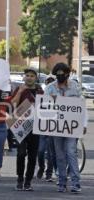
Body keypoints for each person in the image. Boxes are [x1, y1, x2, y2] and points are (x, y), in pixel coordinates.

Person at [45, 63, 87, 193]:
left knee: (71, 153)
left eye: (62, 74)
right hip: (56, 128)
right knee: (60, 156)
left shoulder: (75, 87)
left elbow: (82, 106)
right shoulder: (50, 88)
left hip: (71, 128)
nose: (60, 76)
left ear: (68, 74)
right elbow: (44, 107)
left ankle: (75, 183)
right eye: (57, 74)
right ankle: (62, 183)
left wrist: (84, 124)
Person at [11, 67, 44, 191]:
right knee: (21, 153)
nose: (29, 77)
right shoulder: (19, 89)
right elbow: (12, 104)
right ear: (24, 77)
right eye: (27, 75)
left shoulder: (40, 91)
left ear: (35, 78)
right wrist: (20, 92)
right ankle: (20, 178)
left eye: (32, 76)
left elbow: (46, 106)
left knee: (32, 155)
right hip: (21, 126)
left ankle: (28, 181)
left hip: (35, 127)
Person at [37, 75, 57, 182]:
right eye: (47, 82)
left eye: (51, 82)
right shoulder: (42, 96)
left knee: (51, 153)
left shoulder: (60, 98)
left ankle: (49, 173)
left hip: (53, 129)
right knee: (40, 151)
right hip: (43, 128)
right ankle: (41, 167)